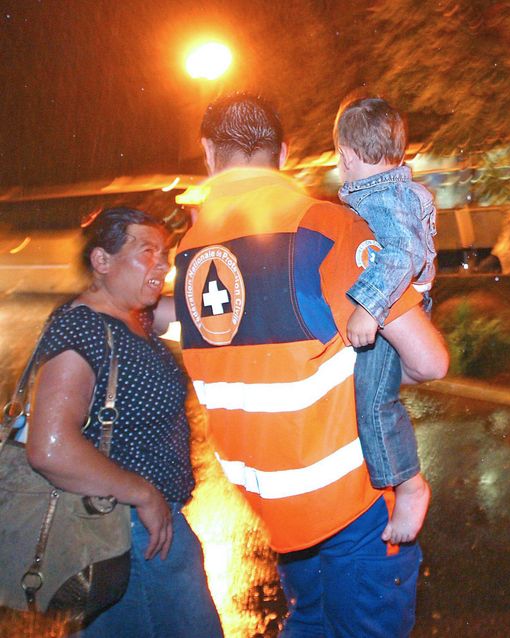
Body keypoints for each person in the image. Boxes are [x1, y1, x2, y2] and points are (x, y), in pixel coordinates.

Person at [162, 93, 448, 637]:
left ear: (207, 152)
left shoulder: (188, 249)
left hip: (272, 506)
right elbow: (430, 361)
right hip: (351, 499)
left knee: (310, 621)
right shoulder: (321, 226)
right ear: (285, 153)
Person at [25, 207, 222, 637]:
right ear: (102, 261)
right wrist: (145, 496)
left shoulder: (136, 318)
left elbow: (208, 308)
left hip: (142, 529)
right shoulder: (82, 329)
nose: (161, 263)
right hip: (123, 533)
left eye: (164, 253)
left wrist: (215, 234)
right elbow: (49, 446)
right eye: (146, 251)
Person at [334, 96, 437, 544]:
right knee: (376, 396)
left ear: (346, 157)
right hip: (401, 310)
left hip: (391, 313)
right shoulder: (395, 191)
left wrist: (368, 308)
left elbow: (401, 254)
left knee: (375, 403)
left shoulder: (379, 197)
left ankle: (410, 485)